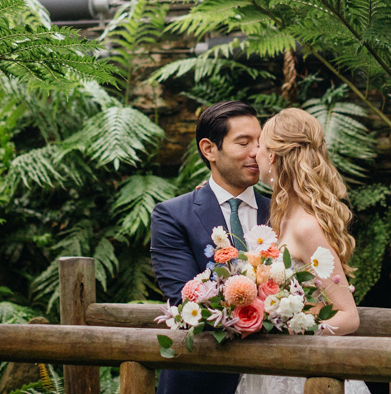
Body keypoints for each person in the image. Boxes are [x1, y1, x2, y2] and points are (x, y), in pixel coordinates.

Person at [235, 107, 367, 394]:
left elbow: (348, 315)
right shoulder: (282, 217)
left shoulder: (306, 226)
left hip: (303, 372)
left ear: (271, 156)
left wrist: (299, 331)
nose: (254, 154)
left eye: (260, 146)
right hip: (271, 367)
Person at [151, 101, 270, 394]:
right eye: (243, 143)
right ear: (209, 149)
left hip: (273, 373)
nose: (256, 152)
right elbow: (185, 300)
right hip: (200, 378)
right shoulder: (173, 215)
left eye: (261, 142)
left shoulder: (283, 211)